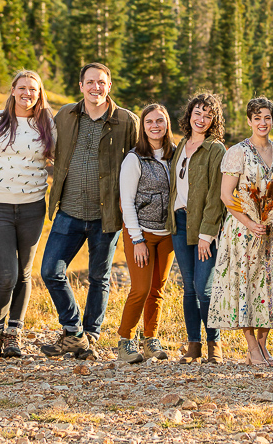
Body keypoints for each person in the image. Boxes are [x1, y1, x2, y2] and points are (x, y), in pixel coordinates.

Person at [40, 63, 140, 360]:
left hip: (106, 216)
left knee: (100, 277)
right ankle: (74, 332)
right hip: (68, 212)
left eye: (101, 82)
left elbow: (139, 161)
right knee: (50, 272)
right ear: (81, 85)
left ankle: (91, 336)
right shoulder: (65, 115)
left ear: (109, 86)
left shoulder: (126, 121)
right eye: (90, 82)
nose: (96, 87)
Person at [0, 70, 56, 359]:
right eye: (22, 88)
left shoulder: (47, 125)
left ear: (39, 93)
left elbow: (59, 159)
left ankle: (13, 335)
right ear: (13, 90)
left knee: (24, 274)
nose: (27, 93)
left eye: (33, 89)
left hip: (32, 207)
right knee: (6, 273)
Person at [209, 97, 273, 364]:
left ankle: (262, 346)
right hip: (243, 230)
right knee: (245, 285)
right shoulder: (237, 152)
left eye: (267, 118)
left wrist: (272, 214)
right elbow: (226, 196)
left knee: (270, 286)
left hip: (272, 230)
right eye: (257, 118)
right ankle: (250, 347)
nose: (263, 123)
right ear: (249, 120)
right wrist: (250, 222)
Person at [165, 93, 228, 363]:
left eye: (207, 115)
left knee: (204, 287)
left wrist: (207, 234)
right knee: (188, 288)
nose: (201, 119)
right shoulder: (181, 145)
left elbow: (217, 194)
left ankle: (214, 343)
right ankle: (193, 345)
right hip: (179, 223)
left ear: (214, 120)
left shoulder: (216, 149)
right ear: (189, 115)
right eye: (197, 113)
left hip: (204, 227)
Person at [114, 104, 177, 364]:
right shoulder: (134, 158)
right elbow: (125, 202)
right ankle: (125, 341)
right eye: (149, 121)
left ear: (166, 124)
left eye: (160, 121)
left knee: (157, 289)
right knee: (140, 288)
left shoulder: (176, 155)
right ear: (143, 126)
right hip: (141, 233)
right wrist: (137, 239)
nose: (155, 126)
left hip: (167, 234)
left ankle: (151, 340)